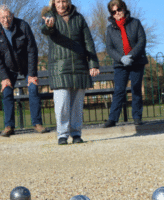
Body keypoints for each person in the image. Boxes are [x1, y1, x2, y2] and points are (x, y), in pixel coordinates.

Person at [41, 0, 100, 145]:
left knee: (77, 105)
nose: (61, 5)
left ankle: (76, 133)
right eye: (58, 2)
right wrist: (49, 26)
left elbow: (88, 42)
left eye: (64, 1)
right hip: (60, 68)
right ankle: (62, 134)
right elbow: (46, 30)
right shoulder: (50, 17)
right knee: (61, 104)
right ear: (54, 3)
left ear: (68, 2)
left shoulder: (79, 18)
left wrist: (93, 63)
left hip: (79, 66)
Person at [0, 5, 49, 137]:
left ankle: (37, 123)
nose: (6, 20)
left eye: (8, 16)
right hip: (9, 68)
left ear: (13, 16)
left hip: (27, 65)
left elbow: (32, 50)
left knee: (33, 89)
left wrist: (32, 74)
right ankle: (9, 126)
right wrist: (4, 77)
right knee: (6, 91)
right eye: (3, 17)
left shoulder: (23, 26)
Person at [103, 0, 148, 128]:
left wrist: (131, 56)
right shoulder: (110, 29)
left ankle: (137, 117)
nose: (117, 13)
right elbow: (110, 48)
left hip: (136, 61)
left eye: (119, 10)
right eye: (113, 12)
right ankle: (112, 119)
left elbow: (142, 41)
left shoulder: (135, 23)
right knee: (119, 90)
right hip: (120, 64)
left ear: (124, 9)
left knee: (136, 89)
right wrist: (121, 58)